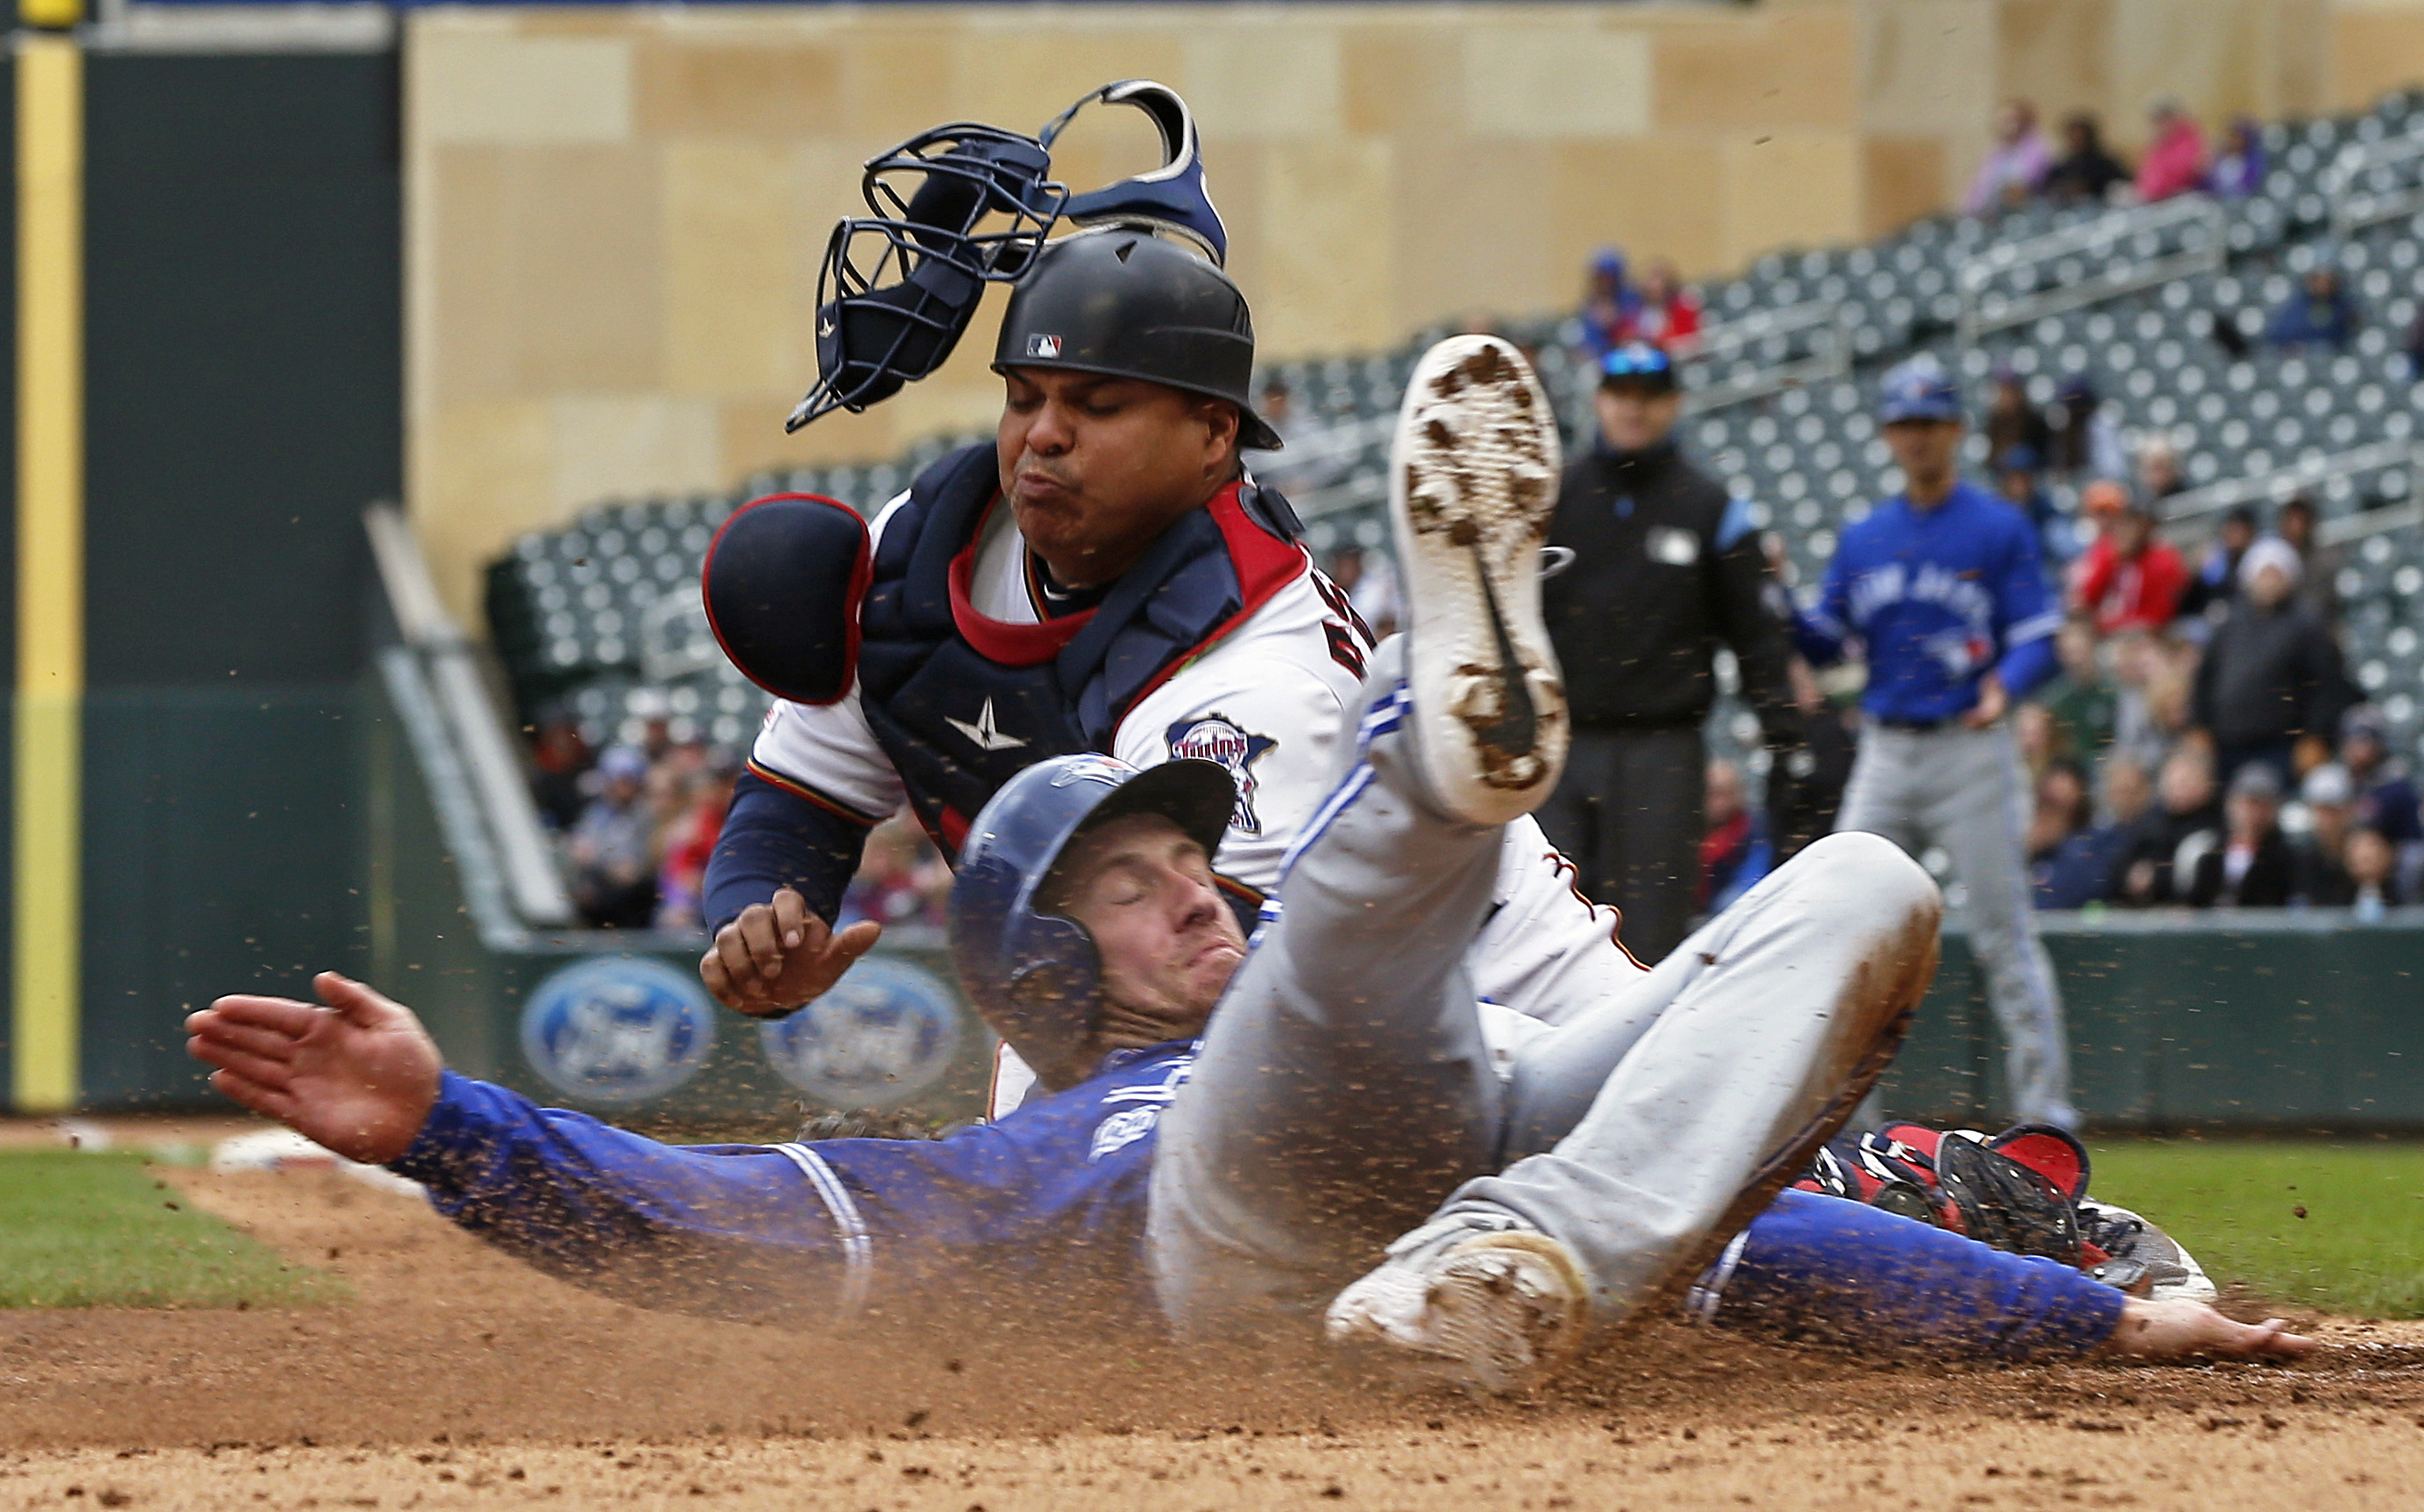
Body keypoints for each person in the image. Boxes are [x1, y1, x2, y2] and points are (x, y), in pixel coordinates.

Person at [186, 341, 2303, 1389]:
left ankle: (1461, 816)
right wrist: (445, 1126)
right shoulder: (1045, 1145)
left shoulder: (1316, 1031)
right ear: (1035, 966)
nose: (1190, 883)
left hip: (1489, 1205)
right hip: (1244, 1206)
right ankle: (1439, 748)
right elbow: (723, 1222)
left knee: (1857, 889)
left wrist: (2087, 1334)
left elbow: (1757, 1268)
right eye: (1126, 881)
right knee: (1347, 959)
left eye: (1183, 854)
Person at [1792, 356, 2077, 1130]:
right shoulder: (1865, 537)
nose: (1917, 436)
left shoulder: (1996, 526)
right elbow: (1824, 642)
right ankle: (1847, 1125)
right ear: (1888, 434)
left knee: (2003, 935)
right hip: (1885, 749)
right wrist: (1772, 598)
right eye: (1905, 423)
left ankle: (2048, 1117)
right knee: (1845, 926)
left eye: (1930, 422)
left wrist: (2006, 685)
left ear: (1955, 429)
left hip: (1967, 747)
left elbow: (2041, 637)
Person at [1538, 343, 1807, 963]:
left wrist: (1783, 732)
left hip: (1664, 751)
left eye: (1650, 396)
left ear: (1674, 404)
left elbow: (1757, 633)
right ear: (1600, 399)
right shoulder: (1555, 498)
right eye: (1621, 395)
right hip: (1563, 746)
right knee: (1550, 933)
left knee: (1649, 939)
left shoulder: (1710, 506)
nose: (1634, 409)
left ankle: (1642, 1064)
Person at [2190, 537, 2349, 791]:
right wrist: (2199, 727)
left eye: (2276, 573)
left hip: (2283, 748)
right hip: (2227, 745)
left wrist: (2317, 737)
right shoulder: (2229, 623)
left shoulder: (2307, 623)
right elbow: (2205, 678)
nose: (2269, 580)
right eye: (2263, 573)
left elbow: (2326, 685)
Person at [2036, 756, 2151, 909]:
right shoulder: (2089, 838)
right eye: (2119, 791)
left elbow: (2096, 885)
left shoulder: (2144, 835)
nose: (2124, 798)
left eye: (2130, 790)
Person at [2069, 490, 2188, 636]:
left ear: (2147, 528)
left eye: (2132, 525)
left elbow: (2155, 620)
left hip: (2152, 637)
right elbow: (2085, 600)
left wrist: (2104, 625)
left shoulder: (2163, 561)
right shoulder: (2108, 554)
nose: (2124, 531)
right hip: (2112, 632)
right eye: (2122, 523)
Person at [2118, 745, 2222, 906]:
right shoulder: (2148, 822)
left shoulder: (2217, 826)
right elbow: (2121, 864)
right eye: (2174, 782)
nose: (2179, 789)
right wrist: (2132, 874)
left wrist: (2157, 876)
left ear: (2206, 783)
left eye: (2187, 781)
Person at [566, 745, 657, 928]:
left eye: (628, 781)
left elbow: (633, 870)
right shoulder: (595, 814)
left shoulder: (645, 815)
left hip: (637, 901)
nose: (624, 787)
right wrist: (607, 864)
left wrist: (599, 859)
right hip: (601, 893)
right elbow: (581, 854)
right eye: (619, 781)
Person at [2186, 763, 2295, 908]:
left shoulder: (2285, 859)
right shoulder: (2211, 855)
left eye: (2262, 805)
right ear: (2231, 805)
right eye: (2247, 804)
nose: (2253, 814)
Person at [2035, 617, 2117, 769]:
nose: (2075, 660)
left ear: (2093, 646)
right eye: (2068, 653)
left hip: (2115, 763)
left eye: (2079, 651)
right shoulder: (2056, 701)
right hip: (2078, 772)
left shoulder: (2115, 687)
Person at [2342, 704, 2422, 848]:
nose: (2359, 749)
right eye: (2354, 740)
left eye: (2366, 740)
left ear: (2380, 743)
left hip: (2402, 855)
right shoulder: (2343, 779)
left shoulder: (2396, 784)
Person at [1698, 758, 1770, 915]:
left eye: (1724, 794)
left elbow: (1753, 877)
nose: (1717, 804)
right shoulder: (1688, 828)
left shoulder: (1750, 829)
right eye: (1711, 794)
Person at [1965, 101, 2051, 216]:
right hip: (1989, 213)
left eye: (2011, 120)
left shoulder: (2038, 149)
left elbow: (2021, 187)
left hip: (2021, 213)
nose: (2005, 125)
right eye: (2003, 121)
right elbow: (1981, 187)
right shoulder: (1996, 151)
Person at [2292, 762, 2359, 907]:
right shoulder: (2299, 858)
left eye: (2333, 812)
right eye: (2321, 811)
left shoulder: (2361, 856)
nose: (2327, 821)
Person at [2180, 505, 2258, 623]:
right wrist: (2195, 570)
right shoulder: (2215, 556)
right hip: (2207, 617)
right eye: (2231, 530)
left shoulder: (2257, 560)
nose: (2234, 536)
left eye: (2239, 531)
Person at [2273, 495, 2343, 625]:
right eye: (2291, 520)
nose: (2296, 527)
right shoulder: (2271, 558)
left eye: (2301, 520)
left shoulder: (2323, 561)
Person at [2046, 374, 2126, 483]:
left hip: (2099, 486)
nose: (2075, 410)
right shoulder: (2063, 425)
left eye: (2078, 405)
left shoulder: (2102, 425)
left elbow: (2113, 470)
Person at [2042, 112, 2132, 206]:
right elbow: (2049, 187)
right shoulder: (2064, 166)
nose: (2077, 141)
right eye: (2073, 138)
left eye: (2081, 137)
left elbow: (2120, 187)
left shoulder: (2105, 165)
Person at [2268, 266, 2361, 352]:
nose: (2322, 286)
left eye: (2327, 282)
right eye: (2318, 281)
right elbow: (2279, 334)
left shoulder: (2344, 307)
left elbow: (2352, 334)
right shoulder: (2295, 308)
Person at [2134, 99, 2206, 203]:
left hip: (2180, 200)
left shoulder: (2189, 142)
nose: (2156, 128)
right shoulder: (2158, 145)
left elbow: (2177, 177)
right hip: (2154, 201)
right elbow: (2146, 178)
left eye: (2159, 122)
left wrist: (2147, 193)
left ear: (2172, 119)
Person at [1576, 247, 1640, 362]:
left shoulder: (1629, 300)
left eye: (1607, 277)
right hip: (1596, 357)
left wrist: (1616, 321)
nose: (1604, 282)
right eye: (1600, 277)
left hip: (1623, 357)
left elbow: (1634, 332)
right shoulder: (1590, 302)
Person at [1630, 260, 1703, 354]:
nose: (1653, 284)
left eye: (1658, 278)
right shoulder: (1636, 310)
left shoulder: (1683, 309)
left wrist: (1659, 343)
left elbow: (1688, 341)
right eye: (1650, 278)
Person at [2346, 825, 2403, 920]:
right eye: (2357, 846)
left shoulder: (2402, 889)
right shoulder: (2336, 889)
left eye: (2372, 845)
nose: (2365, 853)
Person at [2207, 116, 2266, 196]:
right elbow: (2212, 182)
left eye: (2238, 138)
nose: (2234, 141)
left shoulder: (2252, 161)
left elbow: (2251, 185)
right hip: (2220, 198)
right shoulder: (2221, 157)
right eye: (2232, 137)